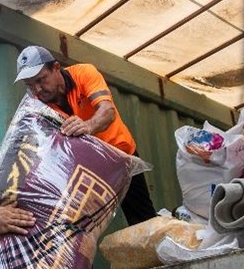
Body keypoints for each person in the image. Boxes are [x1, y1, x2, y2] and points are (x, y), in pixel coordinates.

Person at [13, 45, 157, 226]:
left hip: (122, 157)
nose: (37, 89)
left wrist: (88, 126)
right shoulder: (37, 104)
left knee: (142, 219)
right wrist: (6, 176)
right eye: (30, 85)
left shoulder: (84, 73)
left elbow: (107, 111)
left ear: (56, 68)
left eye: (41, 80)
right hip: (87, 168)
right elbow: (26, 142)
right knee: (74, 225)